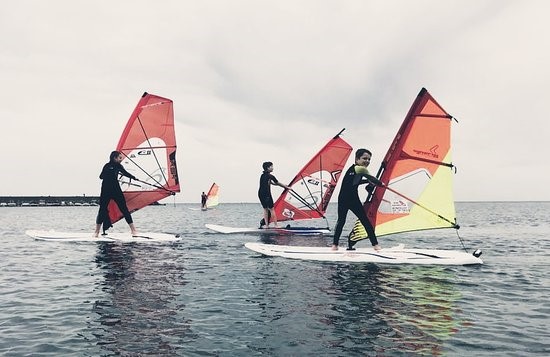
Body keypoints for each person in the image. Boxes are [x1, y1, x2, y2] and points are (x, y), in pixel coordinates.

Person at [332, 148, 382, 251]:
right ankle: (375, 246)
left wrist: (367, 182)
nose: (367, 161)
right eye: (364, 158)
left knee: (363, 221)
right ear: (357, 159)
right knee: (343, 221)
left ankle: (335, 246)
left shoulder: (353, 170)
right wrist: (381, 184)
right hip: (344, 199)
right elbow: (372, 179)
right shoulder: (361, 169)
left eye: (369, 159)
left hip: (352, 199)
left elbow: (355, 182)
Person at [94, 151, 138, 237]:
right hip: (106, 190)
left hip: (116, 190)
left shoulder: (119, 166)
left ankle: (133, 230)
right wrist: (109, 173)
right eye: (120, 158)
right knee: (102, 210)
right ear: (115, 158)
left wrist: (134, 177)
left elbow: (125, 173)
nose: (121, 159)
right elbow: (101, 176)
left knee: (124, 209)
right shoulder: (106, 166)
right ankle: (96, 232)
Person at [258, 161, 291, 228]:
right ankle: (276, 225)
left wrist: (284, 185)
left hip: (260, 194)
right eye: (271, 166)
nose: (273, 168)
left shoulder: (263, 175)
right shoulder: (270, 176)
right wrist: (287, 187)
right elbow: (277, 183)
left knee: (265, 209)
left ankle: (267, 225)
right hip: (267, 194)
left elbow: (272, 183)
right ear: (268, 168)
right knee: (272, 209)